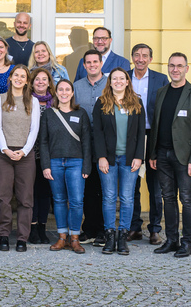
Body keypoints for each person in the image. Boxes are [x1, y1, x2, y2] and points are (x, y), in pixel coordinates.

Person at [147, 52, 191, 258]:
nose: (175, 69)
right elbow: (156, 124)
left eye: (180, 66)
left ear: (186, 69)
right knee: (168, 198)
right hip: (162, 154)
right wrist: (153, 152)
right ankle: (171, 240)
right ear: (168, 68)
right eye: (172, 65)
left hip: (185, 157)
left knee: (188, 199)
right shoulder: (162, 91)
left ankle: (187, 242)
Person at [92, 68, 145, 255]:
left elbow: (140, 133)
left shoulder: (137, 103)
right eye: (115, 79)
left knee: (127, 197)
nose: (118, 81)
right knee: (108, 197)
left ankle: (122, 236)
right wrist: (101, 157)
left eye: (122, 78)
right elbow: (96, 132)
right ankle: (109, 235)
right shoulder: (101, 103)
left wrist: (139, 156)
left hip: (130, 159)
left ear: (127, 81)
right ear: (110, 82)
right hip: (109, 159)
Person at [38, 79, 92, 254]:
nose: (63, 92)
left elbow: (86, 142)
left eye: (67, 89)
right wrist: (45, 165)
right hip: (55, 162)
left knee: (76, 201)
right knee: (59, 201)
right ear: (56, 92)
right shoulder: (48, 114)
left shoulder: (81, 113)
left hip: (76, 162)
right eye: (60, 89)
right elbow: (43, 142)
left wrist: (86, 167)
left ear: (72, 93)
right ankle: (62, 237)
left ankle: (74, 238)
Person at [0, 65, 40, 252]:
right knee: (2, 197)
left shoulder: (33, 102)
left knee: (25, 198)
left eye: (23, 76)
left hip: (25, 155)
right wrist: (5, 149)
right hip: (2, 154)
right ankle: (3, 235)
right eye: (16, 75)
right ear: (10, 78)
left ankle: (22, 238)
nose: (19, 79)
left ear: (27, 81)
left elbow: (34, 129)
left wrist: (24, 150)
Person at [128, 43, 170, 244]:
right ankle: (134, 227)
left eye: (145, 55)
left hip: (153, 136)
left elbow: (164, 111)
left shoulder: (161, 79)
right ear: (132, 58)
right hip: (130, 137)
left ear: (150, 59)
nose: (140, 59)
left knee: (154, 187)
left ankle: (154, 229)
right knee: (131, 185)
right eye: (137, 55)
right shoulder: (124, 77)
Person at [73, 49, 108, 246]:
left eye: (95, 61)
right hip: (83, 143)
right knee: (87, 187)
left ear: (101, 63)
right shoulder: (76, 87)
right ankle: (89, 228)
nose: (92, 65)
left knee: (104, 188)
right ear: (84, 65)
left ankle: (103, 230)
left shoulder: (110, 85)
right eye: (88, 62)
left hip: (105, 144)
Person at [28, 68, 56, 245]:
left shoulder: (56, 102)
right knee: (30, 193)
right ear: (32, 82)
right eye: (37, 79)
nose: (40, 82)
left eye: (44, 79)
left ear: (49, 82)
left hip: (49, 154)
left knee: (44, 193)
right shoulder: (27, 101)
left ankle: (42, 228)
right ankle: (32, 228)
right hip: (30, 152)